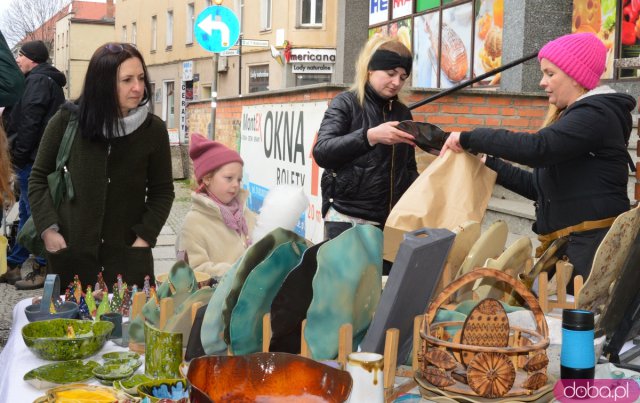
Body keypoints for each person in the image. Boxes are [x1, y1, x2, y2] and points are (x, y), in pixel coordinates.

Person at [441, 32, 636, 292]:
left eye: (550, 73)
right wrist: (486, 160)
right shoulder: (580, 116)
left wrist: (470, 137)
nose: (543, 82)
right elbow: (539, 187)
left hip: (589, 252)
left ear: (575, 76)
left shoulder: (595, 115)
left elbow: (537, 148)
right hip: (571, 248)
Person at [28, 42, 175, 289]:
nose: (138, 87)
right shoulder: (66, 121)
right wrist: (48, 231)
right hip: (71, 256)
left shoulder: (154, 130)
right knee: (72, 326)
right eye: (126, 80)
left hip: (127, 259)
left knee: (126, 326)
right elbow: (38, 178)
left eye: (140, 77)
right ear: (102, 83)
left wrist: (145, 237)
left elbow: (162, 191)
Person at [312, 35, 418, 243]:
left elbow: (408, 168)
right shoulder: (346, 103)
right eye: (391, 73)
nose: (397, 82)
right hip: (347, 219)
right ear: (370, 69)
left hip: (390, 223)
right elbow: (322, 152)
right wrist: (369, 137)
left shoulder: (402, 113)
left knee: (382, 278)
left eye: (403, 77)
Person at [5, 40, 66, 288]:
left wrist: (16, 156)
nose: (18, 60)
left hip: (33, 159)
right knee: (28, 212)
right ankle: (15, 263)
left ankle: (39, 267)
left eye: (21, 55)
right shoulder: (40, 80)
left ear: (33, 59)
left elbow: (30, 122)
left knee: (35, 213)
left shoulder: (39, 81)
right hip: (36, 157)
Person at [178, 133, 255, 281]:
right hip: (214, 300)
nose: (235, 185)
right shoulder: (194, 222)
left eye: (239, 180)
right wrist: (237, 270)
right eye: (229, 178)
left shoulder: (246, 215)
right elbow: (195, 270)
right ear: (207, 178)